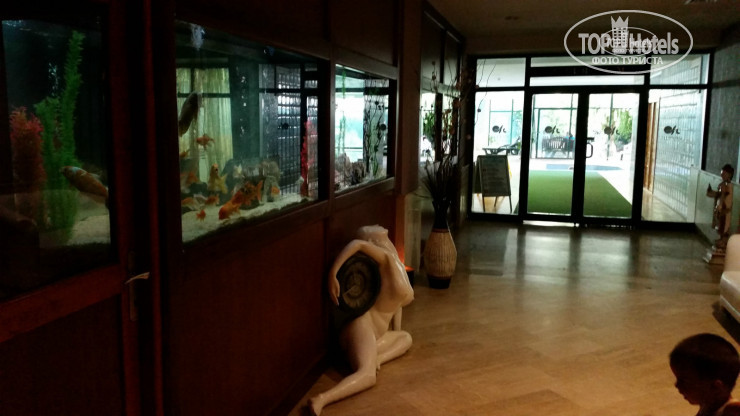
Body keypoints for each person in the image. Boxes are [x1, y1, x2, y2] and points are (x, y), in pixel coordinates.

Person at [308, 225, 414, 416]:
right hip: (363, 326)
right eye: (380, 238)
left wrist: (396, 329)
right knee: (368, 376)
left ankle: (377, 359)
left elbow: (398, 304)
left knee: (405, 338)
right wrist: (333, 273)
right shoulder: (385, 258)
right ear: (373, 243)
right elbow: (357, 244)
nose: (385, 237)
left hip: (378, 334)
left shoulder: (396, 263)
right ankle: (322, 399)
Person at [669, 333, 740, 416]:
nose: (677, 385)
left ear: (715, 387)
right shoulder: (708, 405)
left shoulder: (731, 411)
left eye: (685, 381)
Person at [707, 164, 735, 250]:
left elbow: (723, 195)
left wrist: (720, 205)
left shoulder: (727, 185)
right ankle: (721, 239)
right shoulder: (724, 184)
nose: (722, 175)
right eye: (721, 174)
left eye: (724, 174)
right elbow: (719, 194)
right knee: (721, 224)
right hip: (722, 208)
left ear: (729, 174)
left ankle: (723, 241)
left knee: (724, 225)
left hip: (725, 209)